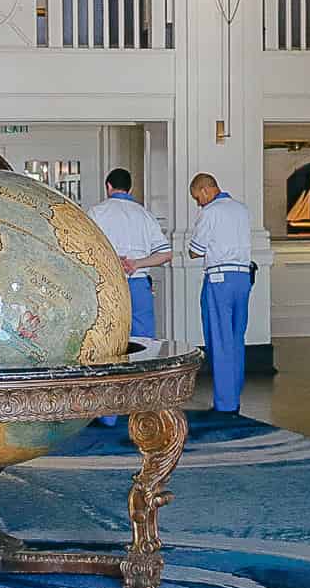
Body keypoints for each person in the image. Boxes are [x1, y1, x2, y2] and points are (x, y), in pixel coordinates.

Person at [86, 168, 172, 427]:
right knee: (144, 346)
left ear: (108, 186)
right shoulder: (144, 215)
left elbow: (86, 250)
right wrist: (135, 263)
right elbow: (165, 254)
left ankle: (109, 413)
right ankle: (143, 408)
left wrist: (115, 262)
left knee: (110, 346)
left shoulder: (97, 212)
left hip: (110, 287)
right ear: (130, 188)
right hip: (139, 285)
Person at [186, 172, 253, 415]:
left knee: (220, 340)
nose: (198, 203)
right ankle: (234, 395)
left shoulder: (210, 212)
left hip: (219, 279)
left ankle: (225, 403)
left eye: (197, 197)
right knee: (236, 339)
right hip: (243, 277)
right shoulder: (241, 209)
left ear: (205, 190)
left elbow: (196, 250)